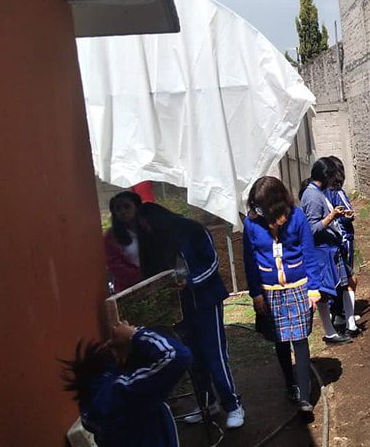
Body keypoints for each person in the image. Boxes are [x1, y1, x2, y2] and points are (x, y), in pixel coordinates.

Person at [136, 203, 244, 428]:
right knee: (193, 357)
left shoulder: (193, 230)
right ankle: (208, 403)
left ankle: (233, 405)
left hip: (206, 300)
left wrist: (191, 281)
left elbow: (213, 262)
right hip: (181, 306)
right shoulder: (154, 240)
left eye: (147, 224)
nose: (145, 230)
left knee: (215, 354)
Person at [243, 176, 329, 413]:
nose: (257, 210)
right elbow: (249, 261)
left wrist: (313, 288)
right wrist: (256, 294)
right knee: (279, 339)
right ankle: (290, 383)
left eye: (262, 205)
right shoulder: (252, 223)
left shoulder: (297, 217)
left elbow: (309, 254)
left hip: (298, 287)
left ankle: (304, 394)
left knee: (300, 340)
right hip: (270, 292)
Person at [62, 320, 192, 447]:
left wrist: (131, 338)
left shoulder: (97, 392)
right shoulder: (127, 394)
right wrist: (133, 335)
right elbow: (178, 356)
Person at [299, 158, 354, 343]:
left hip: (331, 248)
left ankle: (348, 323)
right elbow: (311, 228)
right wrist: (331, 217)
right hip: (322, 252)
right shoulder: (312, 197)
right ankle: (330, 332)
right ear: (325, 176)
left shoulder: (318, 193)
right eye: (332, 177)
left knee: (347, 282)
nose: (334, 181)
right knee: (323, 292)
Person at [325, 156, 359, 333]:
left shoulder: (320, 192)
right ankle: (345, 316)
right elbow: (349, 214)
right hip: (343, 239)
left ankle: (337, 312)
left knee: (336, 276)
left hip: (329, 240)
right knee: (348, 278)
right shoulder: (337, 192)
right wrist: (349, 214)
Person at [104, 191, 144, 293]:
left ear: (137, 207)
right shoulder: (111, 238)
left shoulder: (150, 229)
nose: (123, 211)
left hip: (160, 283)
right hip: (130, 291)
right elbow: (116, 267)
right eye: (118, 209)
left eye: (127, 207)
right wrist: (145, 274)